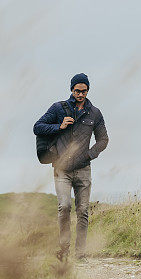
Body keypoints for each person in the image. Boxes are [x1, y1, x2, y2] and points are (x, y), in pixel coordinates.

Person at [33, 73, 109, 262]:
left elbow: (103, 140)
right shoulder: (59, 108)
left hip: (84, 169)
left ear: (88, 90)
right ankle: (64, 250)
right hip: (62, 169)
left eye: (83, 91)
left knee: (83, 210)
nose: (80, 94)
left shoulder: (95, 113)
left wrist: (90, 154)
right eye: (77, 91)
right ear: (71, 90)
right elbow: (37, 127)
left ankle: (80, 254)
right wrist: (59, 126)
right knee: (64, 207)